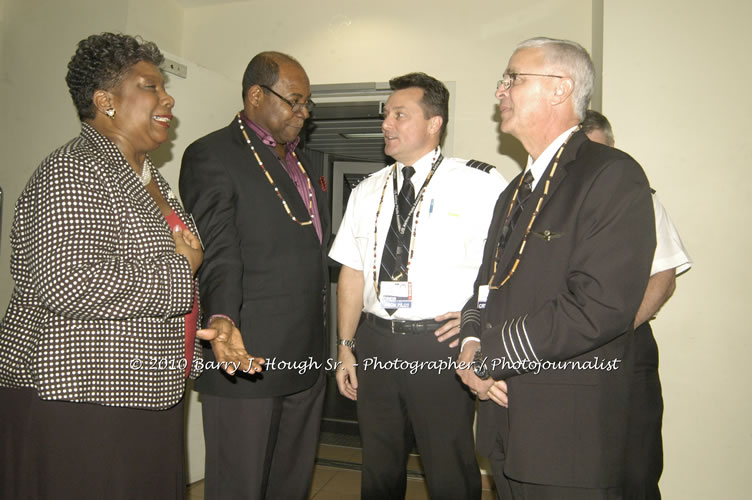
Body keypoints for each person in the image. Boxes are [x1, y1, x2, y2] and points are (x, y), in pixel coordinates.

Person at [0, 32, 242, 500]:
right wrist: (179, 271)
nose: (168, 96)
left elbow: (139, 275)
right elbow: (71, 283)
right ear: (105, 101)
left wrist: (198, 324)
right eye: (150, 86)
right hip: (79, 398)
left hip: (144, 385)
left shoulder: (151, 178)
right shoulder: (73, 170)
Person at [456, 37, 656, 499]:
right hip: (503, 420)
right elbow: (485, 287)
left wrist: (490, 356)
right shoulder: (514, 193)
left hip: (565, 435)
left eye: (513, 79)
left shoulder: (611, 175)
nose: (499, 92)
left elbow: (599, 306)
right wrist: (469, 344)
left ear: (560, 89)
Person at [330, 72, 507, 499]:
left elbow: (503, 270)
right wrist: (346, 345)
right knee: (378, 462)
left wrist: (476, 326)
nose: (386, 124)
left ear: (434, 123)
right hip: (376, 340)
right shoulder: (367, 191)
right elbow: (352, 272)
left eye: (399, 115)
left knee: (448, 464)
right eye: (385, 115)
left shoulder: (480, 183)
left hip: (439, 343)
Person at [179, 51, 329, 500]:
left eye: (308, 105)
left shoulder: (307, 164)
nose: (303, 114)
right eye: (294, 101)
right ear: (256, 95)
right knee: (239, 486)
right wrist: (223, 316)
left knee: (291, 483)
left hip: (306, 355)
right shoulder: (212, 155)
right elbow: (220, 249)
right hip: (247, 357)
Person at [583, 109, 692, 499]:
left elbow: (662, 279)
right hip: (563, 351)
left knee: (635, 469)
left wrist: (608, 329)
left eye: (598, 151)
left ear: (614, 149)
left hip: (625, 347)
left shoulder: (638, 198)